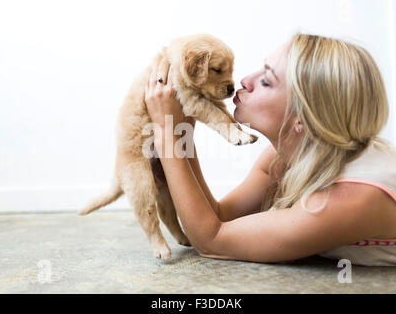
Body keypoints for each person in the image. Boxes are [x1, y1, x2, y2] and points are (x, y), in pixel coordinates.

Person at [144, 33, 396, 266]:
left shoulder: (351, 198)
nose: (244, 81)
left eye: (266, 81)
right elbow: (220, 217)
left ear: (304, 118)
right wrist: (182, 127)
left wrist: (166, 132)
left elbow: (212, 241)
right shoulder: (289, 156)